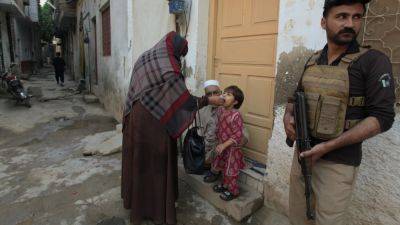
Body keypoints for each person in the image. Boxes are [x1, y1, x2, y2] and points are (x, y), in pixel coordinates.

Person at [283, 1, 396, 225]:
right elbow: (294, 99)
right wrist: (288, 118)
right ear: (324, 22)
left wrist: (328, 146)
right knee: (297, 218)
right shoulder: (312, 60)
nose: (350, 24)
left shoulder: (374, 61)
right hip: (302, 156)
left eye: (356, 17)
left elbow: (383, 117)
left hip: (338, 164)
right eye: (341, 16)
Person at [121, 31, 224, 225]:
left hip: (136, 117)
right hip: (155, 120)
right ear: (175, 51)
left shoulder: (146, 57)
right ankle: (159, 211)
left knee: (140, 161)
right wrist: (209, 99)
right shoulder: (170, 67)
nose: (179, 59)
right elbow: (184, 102)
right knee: (157, 162)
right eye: (180, 55)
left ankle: (138, 206)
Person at [208, 85, 245, 201]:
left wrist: (224, 145)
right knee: (223, 167)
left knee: (230, 171)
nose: (224, 96)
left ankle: (233, 191)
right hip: (222, 145)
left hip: (232, 149)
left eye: (228, 95)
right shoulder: (220, 110)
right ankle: (225, 185)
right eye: (223, 93)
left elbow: (237, 135)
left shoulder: (236, 115)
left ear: (235, 102)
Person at [196, 80, 222, 167]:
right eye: (209, 94)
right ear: (205, 97)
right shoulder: (201, 110)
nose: (213, 97)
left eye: (215, 93)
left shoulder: (228, 109)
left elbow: (242, 133)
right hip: (205, 149)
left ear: (221, 93)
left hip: (220, 149)